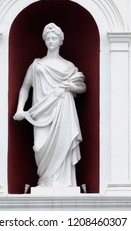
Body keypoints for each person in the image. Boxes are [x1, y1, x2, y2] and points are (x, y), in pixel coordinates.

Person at [13, 23, 86, 187]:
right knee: (39, 146)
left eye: (54, 38)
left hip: (63, 109)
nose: (51, 41)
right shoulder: (37, 65)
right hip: (40, 112)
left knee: (63, 144)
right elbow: (25, 87)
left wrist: (70, 87)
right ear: (44, 41)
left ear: (61, 41)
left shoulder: (68, 66)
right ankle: (45, 181)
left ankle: (63, 182)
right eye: (48, 38)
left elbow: (82, 87)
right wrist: (20, 109)